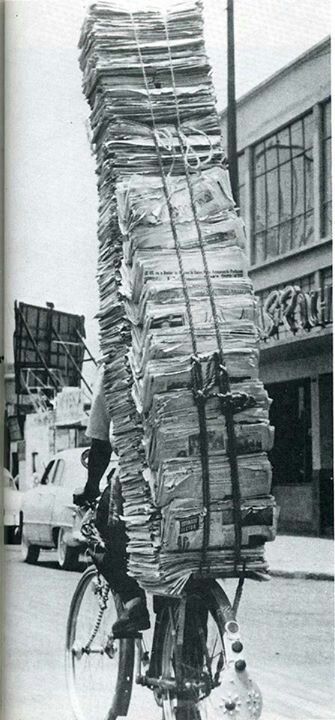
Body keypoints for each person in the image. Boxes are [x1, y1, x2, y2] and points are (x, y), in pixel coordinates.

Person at [73, 365, 150, 637]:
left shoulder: (116, 365)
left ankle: (133, 601)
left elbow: (101, 443)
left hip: (138, 479)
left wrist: (91, 487)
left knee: (101, 533)